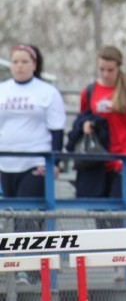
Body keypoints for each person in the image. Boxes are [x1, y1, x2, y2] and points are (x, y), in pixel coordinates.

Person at [0, 44, 66, 285]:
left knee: (27, 217)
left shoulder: (47, 92)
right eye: (15, 61)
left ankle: (28, 269)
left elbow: (57, 131)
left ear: (34, 65)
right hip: (6, 164)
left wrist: (54, 163)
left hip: (35, 163)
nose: (19, 66)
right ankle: (20, 266)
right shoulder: (3, 89)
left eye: (24, 62)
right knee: (12, 215)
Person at [71, 46, 126, 219]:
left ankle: (125, 247)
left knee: (120, 215)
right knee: (100, 216)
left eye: (110, 70)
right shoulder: (89, 92)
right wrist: (85, 125)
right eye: (102, 69)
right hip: (99, 160)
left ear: (119, 67)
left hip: (123, 161)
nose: (105, 74)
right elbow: (82, 119)